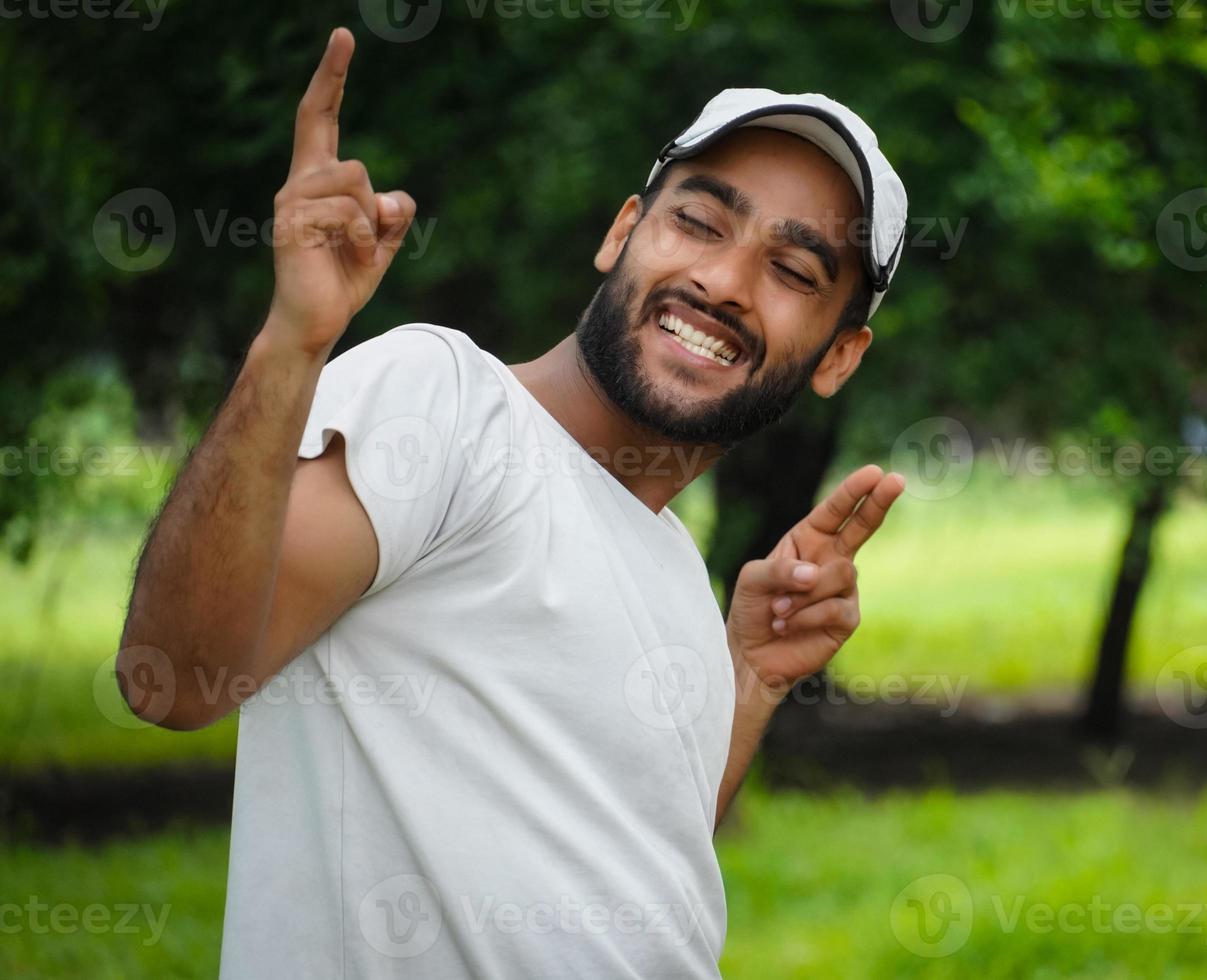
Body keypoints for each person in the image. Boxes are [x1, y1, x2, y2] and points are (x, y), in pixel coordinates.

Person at [118, 26, 910, 978]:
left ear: (837, 355)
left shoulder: (673, 576)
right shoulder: (445, 406)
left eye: (792, 272)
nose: (720, 281)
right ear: (623, 231)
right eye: (697, 223)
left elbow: (626, 875)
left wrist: (745, 675)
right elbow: (175, 677)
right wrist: (288, 345)